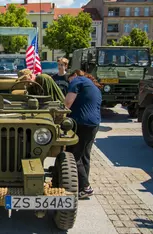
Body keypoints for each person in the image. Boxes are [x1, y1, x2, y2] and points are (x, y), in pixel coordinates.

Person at [64, 69, 102, 199]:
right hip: (93, 124)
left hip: (82, 123)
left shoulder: (77, 80)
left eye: (69, 80)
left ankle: (85, 186)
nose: (69, 83)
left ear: (73, 75)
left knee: (72, 155)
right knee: (84, 155)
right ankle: (82, 187)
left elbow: (67, 103)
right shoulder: (93, 85)